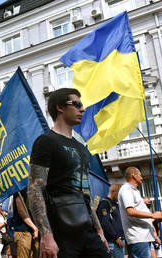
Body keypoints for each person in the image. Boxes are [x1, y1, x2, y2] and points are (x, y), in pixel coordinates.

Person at [27, 88, 109, 258]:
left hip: (87, 231)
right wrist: (46, 235)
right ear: (60, 107)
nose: (82, 109)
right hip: (61, 233)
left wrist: (99, 231)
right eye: (77, 104)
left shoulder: (81, 148)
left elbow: (85, 193)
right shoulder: (46, 141)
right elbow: (35, 189)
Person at [118, 166, 162, 258]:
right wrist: (153, 215)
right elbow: (130, 211)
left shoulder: (133, 190)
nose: (142, 178)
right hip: (138, 237)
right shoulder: (127, 189)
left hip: (143, 237)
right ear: (134, 176)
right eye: (140, 175)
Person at [96, 184, 125, 258]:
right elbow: (105, 223)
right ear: (113, 191)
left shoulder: (115, 204)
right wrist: (116, 238)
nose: (120, 197)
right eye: (119, 194)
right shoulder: (105, 204)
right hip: (113, 242)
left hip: (118, 241)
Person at [12, 189, 38, 258]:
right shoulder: (19, 188)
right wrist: (34, 227)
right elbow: (21, 211)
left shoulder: (35, 187)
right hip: (23, 230)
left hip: (36, 231)